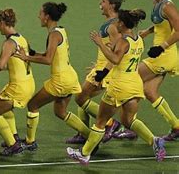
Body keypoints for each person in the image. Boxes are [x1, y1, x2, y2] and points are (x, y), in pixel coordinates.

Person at [67, 9, 167, 164]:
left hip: (119, 87)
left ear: (122, 23)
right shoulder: (137, 39)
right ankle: (154, 140)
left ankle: (84, 153)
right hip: (134, 85)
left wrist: (100, 43)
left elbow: (115, 58)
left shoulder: (123, 41)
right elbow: (120, 59)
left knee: (100, 121)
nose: (115, 24)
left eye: (117, 21)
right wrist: (102, 73)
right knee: (128, 120)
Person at [15, 2, 90, 152]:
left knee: (33, 105)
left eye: (41, 13)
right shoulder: (61, 30)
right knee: (60, 112)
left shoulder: (54, 34)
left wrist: (26, 58)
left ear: (47, 17)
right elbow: (52, 55)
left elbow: (48, 59)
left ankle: (30, 142)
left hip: (60, 81)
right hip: (70, 77)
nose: (38, 16)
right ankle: (91, 136)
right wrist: (33, 53)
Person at [67, 0, 134, 144]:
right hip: (102, 67)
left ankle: (111, 124)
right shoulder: (111, 23)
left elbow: (119, 52)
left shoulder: (112, 26)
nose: (100, 3)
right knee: (83, 94)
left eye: (103, 1)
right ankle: (83, 133)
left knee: (81, 97)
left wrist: (103, 71)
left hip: (107, 70)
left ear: (111, 5)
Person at [0, 8, 35, 156]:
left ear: (2, 23)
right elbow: (14, 63)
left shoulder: (9, 43)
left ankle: (13, 145)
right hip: (28, 83)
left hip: (18, 87)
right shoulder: (22, 39)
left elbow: (1, 64)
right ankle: (13, 136)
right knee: (4, 106)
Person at [138, 0, 179, 141]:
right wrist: (147, 31)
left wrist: (162, 47)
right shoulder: (158, 4)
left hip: (163, 56)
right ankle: (176, 126)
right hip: (162, 56)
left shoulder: (167, 6)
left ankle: (124, 125)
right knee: (149, 91)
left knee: (130, 79)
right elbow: (162, 25)